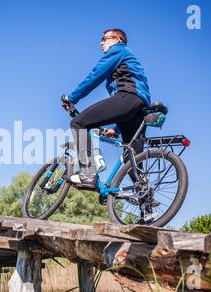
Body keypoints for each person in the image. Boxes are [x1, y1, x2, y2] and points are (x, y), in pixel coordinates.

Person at [62, 28, 151, 189]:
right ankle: (147, 207)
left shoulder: (118, 51)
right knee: (133, 160)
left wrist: (72, 98)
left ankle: (87, 173)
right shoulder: (127, 57)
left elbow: (96, 75)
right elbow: (126, 109)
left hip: (128, 97)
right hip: (138, 106)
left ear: (117, 39)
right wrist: (116, 128)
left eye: (104, 38)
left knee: (78, 123)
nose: (101, 42)